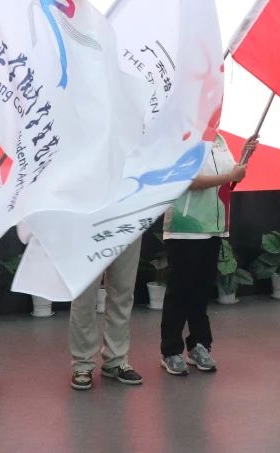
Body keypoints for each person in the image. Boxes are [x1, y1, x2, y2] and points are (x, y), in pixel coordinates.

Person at [159, 133, 257, 376]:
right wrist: (228, 176)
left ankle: (199, 345)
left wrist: (245, 155)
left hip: (213, 226)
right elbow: (187, 180)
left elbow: (230, 177)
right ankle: (171, 350)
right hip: (185, 227)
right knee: (180, 291)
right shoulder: (184, 135)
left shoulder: (220, 140)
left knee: (201, 291)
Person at [70, 226, 144, 390]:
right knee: (84, 295)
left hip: (129, 221)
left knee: (123, 292)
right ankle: (82, 362)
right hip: (90, 222)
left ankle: (116, 359)